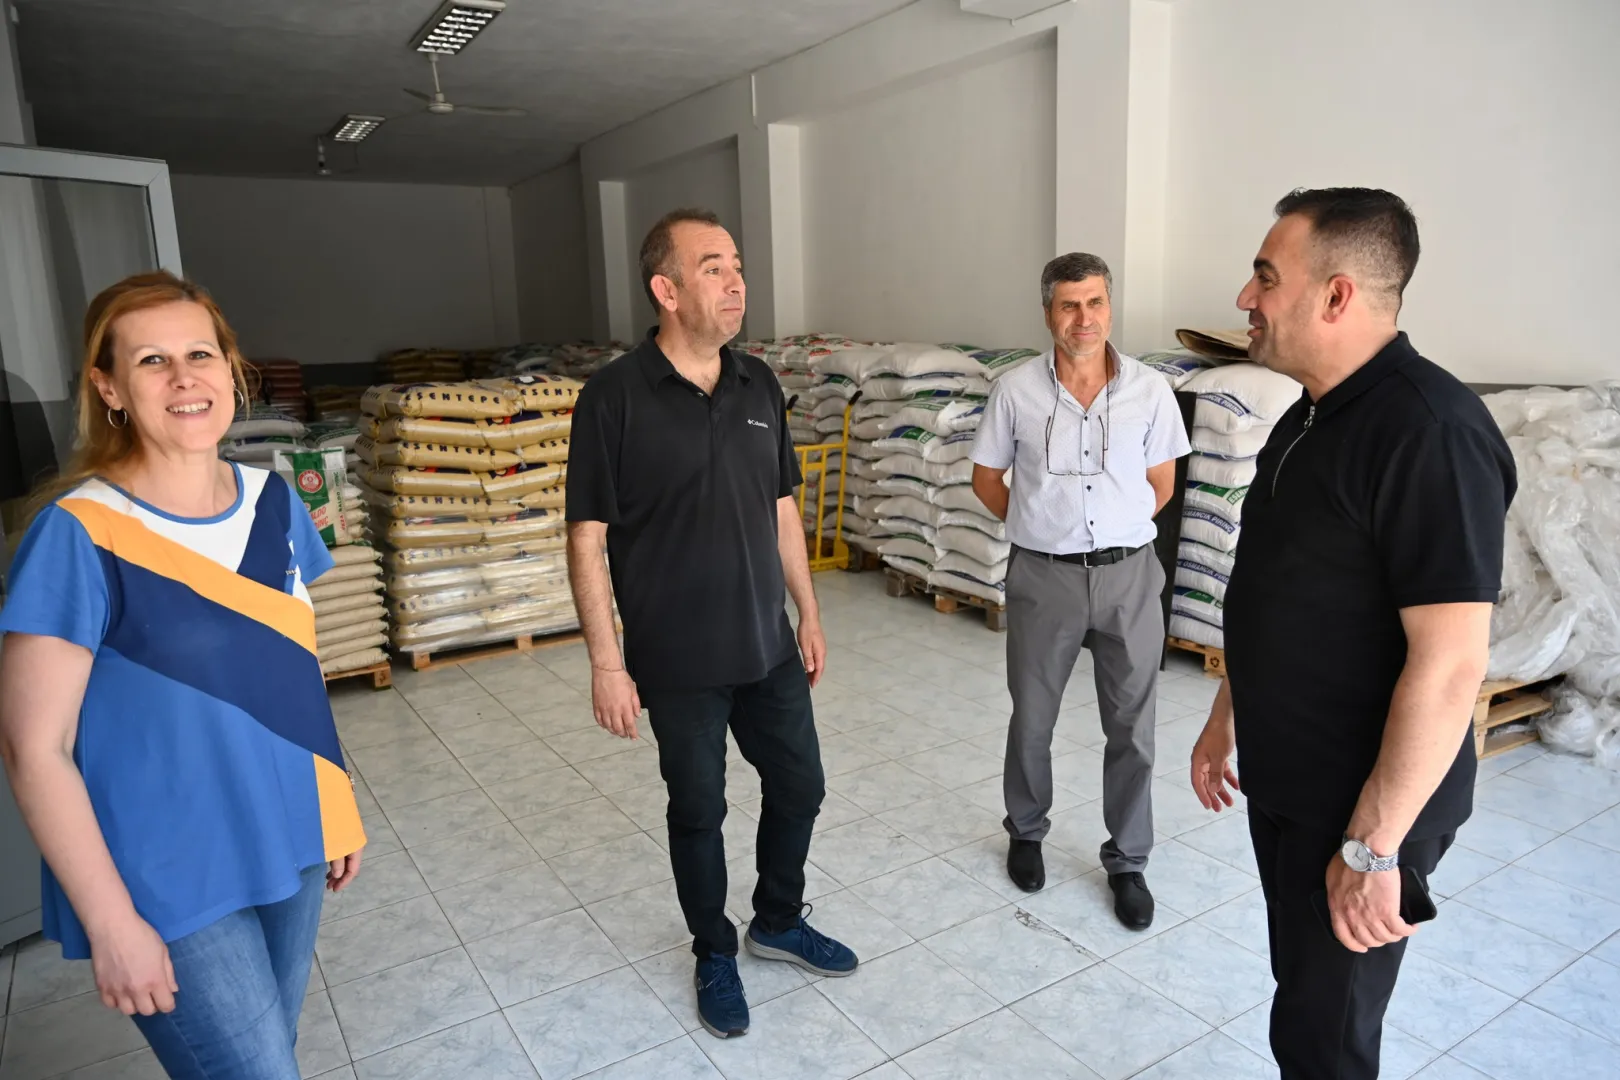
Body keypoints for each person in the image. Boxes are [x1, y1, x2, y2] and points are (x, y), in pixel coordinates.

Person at [0, 271, 366, 1079]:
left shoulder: (274, 502)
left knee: (267, 1055)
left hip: (289, 834)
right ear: (109, 388)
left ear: (230, 368)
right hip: (164, 870)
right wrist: (112, 923)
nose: (184, 378)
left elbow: (291, 667)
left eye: (200, 354)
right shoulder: (79, 533)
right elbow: (34, 749)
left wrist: (334, 801)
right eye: (151, 361)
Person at [1188, 188, 1515, 1080]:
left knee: (1327, 1038)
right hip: (1292, 782)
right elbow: (1277, 591)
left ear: (1336, 296)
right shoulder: (1310, 415)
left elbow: (1451, 663)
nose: (1245, 299)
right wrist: (1226, 716)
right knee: (1302, 996)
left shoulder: (1430, 433)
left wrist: (1374, 847)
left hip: (1363, 806)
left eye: (1265, 277)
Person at [564, 207, 856, 1041]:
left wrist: (808, 609)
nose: (736, 282)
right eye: (714, 267)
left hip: (766, 643)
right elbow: (586, 537)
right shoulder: (614, 397)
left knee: (801, 786)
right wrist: (607, 664)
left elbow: (781, 506)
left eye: (737, 265)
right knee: (698, 811)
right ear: (666, 290)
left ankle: (778, 919)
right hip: (676, 658)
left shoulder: (758, 383)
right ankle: (714, 950)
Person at [970, 252, 1189, 928]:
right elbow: (986, 479)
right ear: (1048, 314)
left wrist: (1115, 536)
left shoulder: (1151, 391)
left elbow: (1162, 484)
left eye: (1095, 303)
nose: (1083, 318)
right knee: (1033, 718)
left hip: (1130, 578)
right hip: (1044, 578)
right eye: (1069, 305)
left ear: (1110, 308)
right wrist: (1039, 527)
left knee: (1133, 727)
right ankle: (1026, 831)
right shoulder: (1016, 391)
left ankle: (1128, 861)